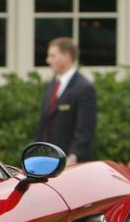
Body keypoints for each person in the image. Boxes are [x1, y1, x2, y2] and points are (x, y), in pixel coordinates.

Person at [35, 37, 97, 165]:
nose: (48, 60)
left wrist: (73, 157)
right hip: (48, 161)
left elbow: (85, 130)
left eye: (52, 56)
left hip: (72, 166)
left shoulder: (84, 88)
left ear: (67, 56)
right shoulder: (52, 85)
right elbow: (44, 125)